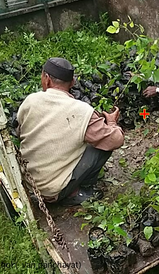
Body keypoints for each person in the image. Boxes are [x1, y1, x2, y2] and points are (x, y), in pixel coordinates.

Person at [17, 57, 124, 206]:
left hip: (29, 184)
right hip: (53, 191)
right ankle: (78, 193)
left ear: (46, 79)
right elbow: (116, 139)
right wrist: (112, 123)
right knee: (103, 142)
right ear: (73, 82)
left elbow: (20, 131)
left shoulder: (30, 101)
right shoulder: (82, 111)